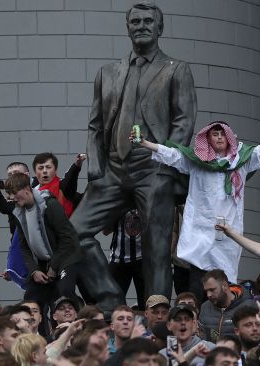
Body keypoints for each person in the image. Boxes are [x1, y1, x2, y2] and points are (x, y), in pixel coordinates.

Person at [69, 0, 197, 312]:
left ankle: (157, 312)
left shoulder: (175, 69)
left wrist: (167, 163)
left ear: (159, 28)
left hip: (153, 167)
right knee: (72, 233)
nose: (141, 26)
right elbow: (95, 124)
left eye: (147, 22)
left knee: (156, 245)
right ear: (127, 28)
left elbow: (184, 121)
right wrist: (96, 171)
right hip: (113, 169)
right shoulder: (108, 72)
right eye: (135, 22)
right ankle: (111, 299)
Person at [135, 119, 260, 291]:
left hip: (227, 236)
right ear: (207, 139)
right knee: (197, 286)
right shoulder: (196, 162)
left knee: (225, 286)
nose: (219, 137)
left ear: (229, 138)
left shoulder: (241, 162)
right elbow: (172, 154)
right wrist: (144, 143)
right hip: (200, 234)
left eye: (222, 134)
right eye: (214, 134)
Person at [4, 173, 84, 318]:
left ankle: (77, 327)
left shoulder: (50, 205)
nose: (12, 198)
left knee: (64, 292)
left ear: (27, 188)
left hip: (66, 258)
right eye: (9, 195)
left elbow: (68, 239)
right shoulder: (19, 213)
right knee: (32, 298)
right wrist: (34, 271)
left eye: (14, 193)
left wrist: (54, 266)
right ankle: (40, 336)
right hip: (43, 264)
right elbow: (24, 247)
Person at [199, 269, 254, 342]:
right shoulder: (205, 307)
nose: (208, 295)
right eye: (206, 291)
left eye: (212, 290)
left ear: (224, 286)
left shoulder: (248, 306)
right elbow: (201, 336)